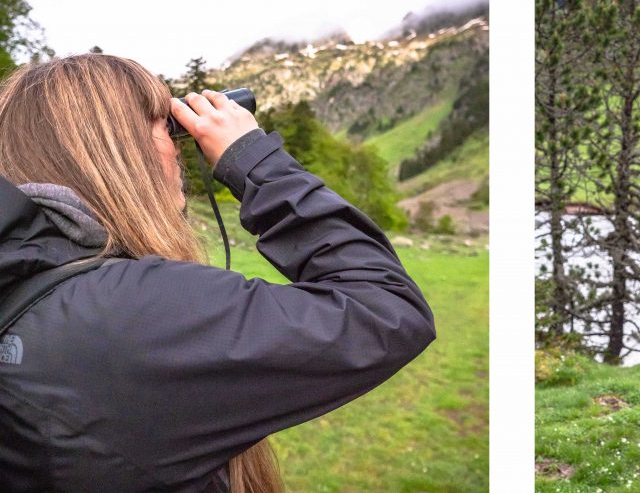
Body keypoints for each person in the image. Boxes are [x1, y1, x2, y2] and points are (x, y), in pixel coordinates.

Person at [0, 54, 436, 492]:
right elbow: (386, 308)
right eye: (165, 126)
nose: (178, 149)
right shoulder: (139, 314)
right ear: (122, 151)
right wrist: (254, 160)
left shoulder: (24, 276)